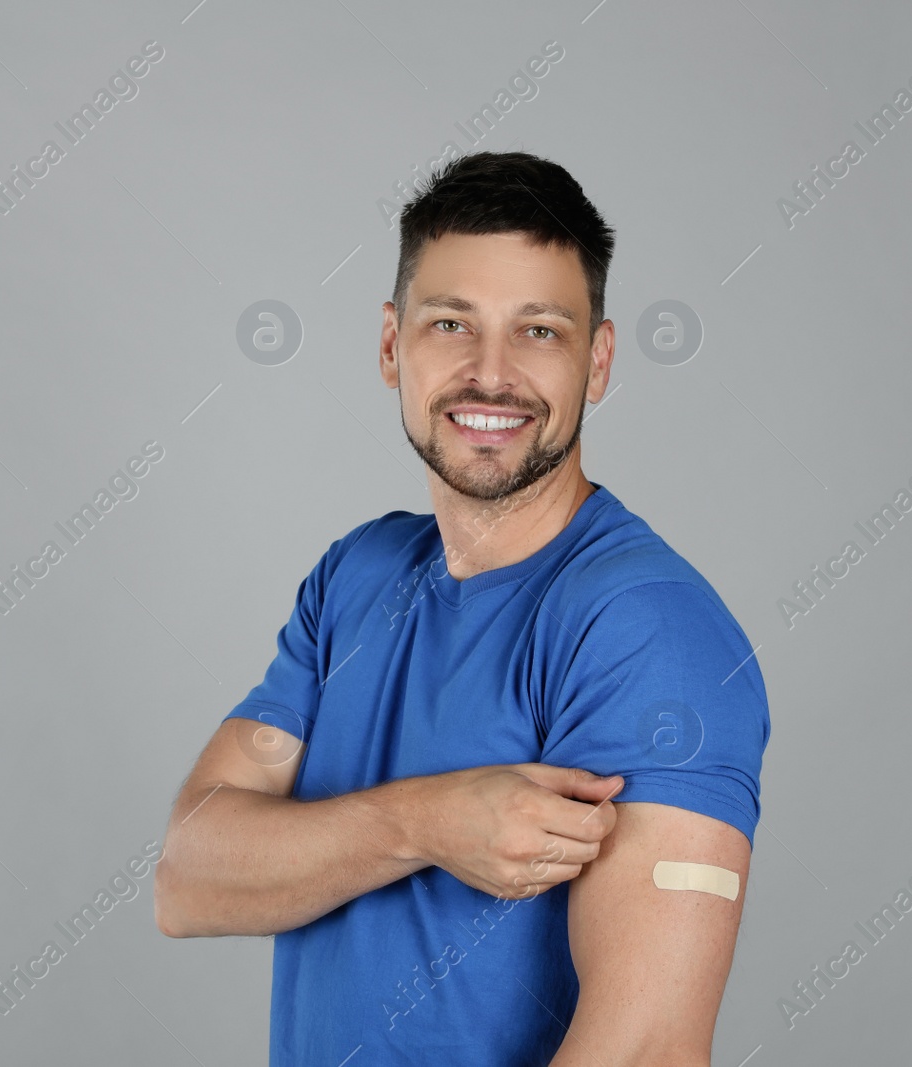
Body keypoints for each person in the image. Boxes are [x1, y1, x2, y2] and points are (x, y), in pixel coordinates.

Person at [154, 150, 770, 1066]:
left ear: (598, 361)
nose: (491, 375)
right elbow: (189, 879)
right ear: (392, 344)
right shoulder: (356, 576)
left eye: (540, 331)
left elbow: (646, 1048)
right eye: (452, 323)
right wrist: (426, 822)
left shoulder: (644, 628)